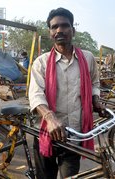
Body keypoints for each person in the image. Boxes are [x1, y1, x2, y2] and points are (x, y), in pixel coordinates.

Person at [28, 7, 104, 179]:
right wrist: (50, 118)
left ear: (73, 30)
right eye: (54, 27)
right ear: (50, 33)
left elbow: (94, 83)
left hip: (74, 134)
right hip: (47, 133)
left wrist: (96, 100)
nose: (59, 30)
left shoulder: (88, 58)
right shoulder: (41, 63)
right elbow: (35, 94)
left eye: (64, 25)